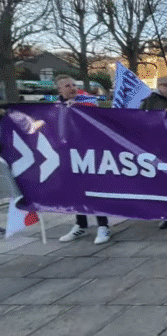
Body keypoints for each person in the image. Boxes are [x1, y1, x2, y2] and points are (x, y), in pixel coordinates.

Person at [55, 75, 112, 245]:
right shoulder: (55, 107)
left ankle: (103, 226)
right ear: (59, 90)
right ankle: (80, 224)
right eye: (67, 85)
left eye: (74, 84)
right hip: (67, 153)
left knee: (94, 188)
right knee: (75, 189)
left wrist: (77, 107)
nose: (72, 88)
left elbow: (97, 116)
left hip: (88, 152)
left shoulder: (87, 101)